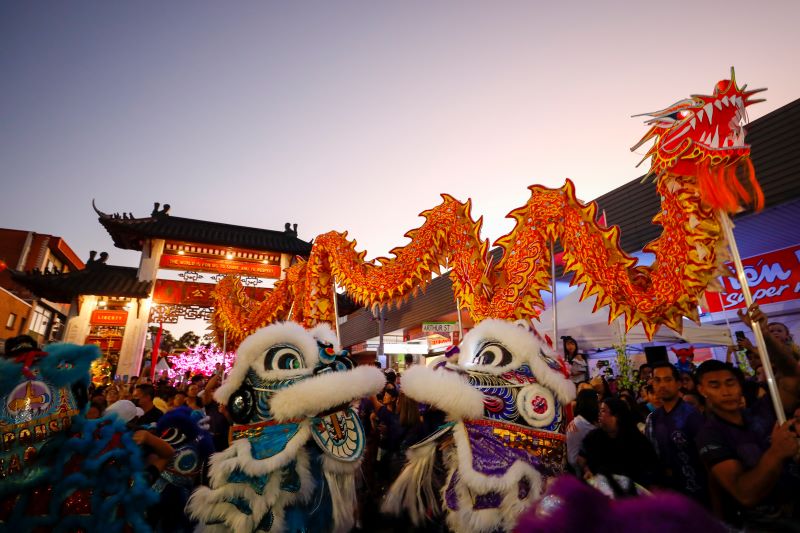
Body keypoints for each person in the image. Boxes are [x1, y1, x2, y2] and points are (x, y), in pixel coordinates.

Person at [695, 360, 800, 529]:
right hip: (766, 525)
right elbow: (744, 494)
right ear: (702, 390)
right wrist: (776, 453)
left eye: (731, 383)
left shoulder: (762, 412)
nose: (726, 391)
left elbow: (792, 378)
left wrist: (766, 337)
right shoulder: (710, 435)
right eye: (715, 386)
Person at [645, 362, 708, 504]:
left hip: (697, 492)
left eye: (667, 380)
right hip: (670, 493)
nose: (662, 385)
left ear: (678, 384)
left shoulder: (691, 415)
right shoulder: (654, 417)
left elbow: (707, 460)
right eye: (657, 380)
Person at [579, 398, 660, 489]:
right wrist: (587, 470)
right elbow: (582, 457)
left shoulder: (636, 440)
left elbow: (651, 470)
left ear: (616, 416)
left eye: (603, 411)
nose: (599, 414)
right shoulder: (593, 437)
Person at [567, 389, 599, 473]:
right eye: (597, 400)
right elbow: (572, 458)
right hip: (579, 470)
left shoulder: (585, 420)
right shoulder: (578, 423)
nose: (599, 404)